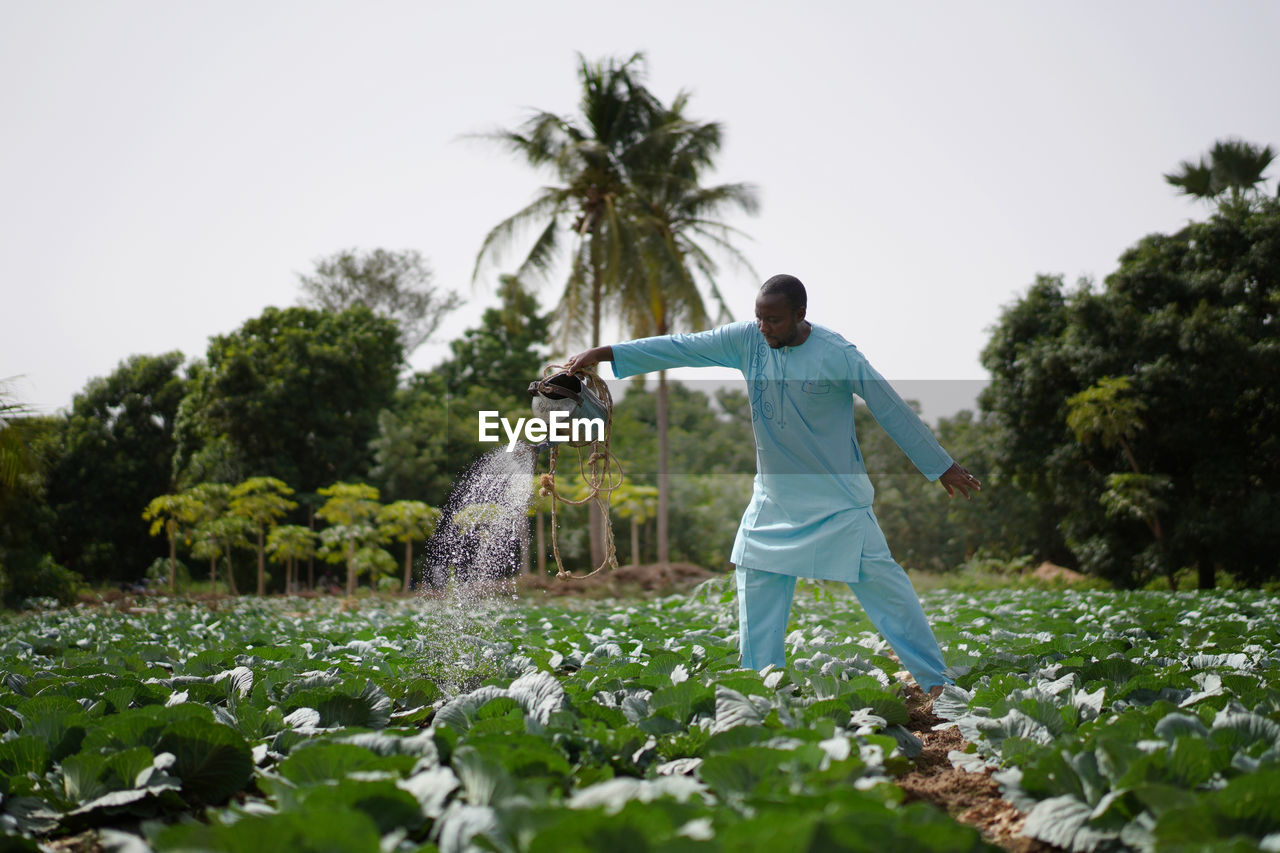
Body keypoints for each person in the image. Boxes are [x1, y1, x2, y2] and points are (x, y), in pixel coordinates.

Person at [565, 274, 980, 698]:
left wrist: (940, 464)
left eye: (775, 320)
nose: (764, 328)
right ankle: (761, 688)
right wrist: (605, 353)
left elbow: (889, 406)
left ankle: (936, 683)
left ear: (800, 315)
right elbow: (683, 346)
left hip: (840, 501)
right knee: (756, 583)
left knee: (887, 591)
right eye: (759, 318)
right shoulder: (748, 339)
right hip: (773, 500)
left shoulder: (837, 354)